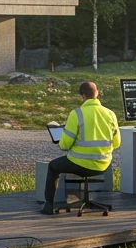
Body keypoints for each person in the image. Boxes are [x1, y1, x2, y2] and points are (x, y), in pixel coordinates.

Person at [41, 81, 120, 214]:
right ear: (97, 94)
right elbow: (117, 143)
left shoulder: (77, 114)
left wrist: (61, 139)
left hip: (79, 164)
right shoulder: (110, 114)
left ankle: (48, 205)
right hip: (103, 164)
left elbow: (65, 145)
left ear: (82, 96)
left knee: (53, 166)